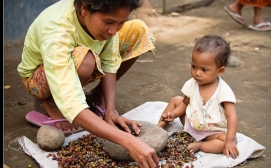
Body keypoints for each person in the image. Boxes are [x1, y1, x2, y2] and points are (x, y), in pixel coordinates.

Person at [17, 0, 159, 167]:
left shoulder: (108, 28)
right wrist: (129, 141)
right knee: (85, 60)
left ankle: (99, 96)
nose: (113, 30)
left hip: (81, 60)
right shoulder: (58, 29)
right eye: (108, 22)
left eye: (121, 22)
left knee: (138, 30)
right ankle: (53, 103)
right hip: (38, 80)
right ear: (84, 8)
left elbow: (109, 60)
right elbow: (72, 102)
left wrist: (111, 110)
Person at [156, 35, 239, 159]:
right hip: (191, 123)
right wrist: (172, 115)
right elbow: (184, 104)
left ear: (220, 71)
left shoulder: (224, 91)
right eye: (194, 66)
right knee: (175, 100)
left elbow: (232, 116)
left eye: (204, 70)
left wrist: (230, 140)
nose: (197, 73)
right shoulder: (192, 84)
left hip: (211, 133)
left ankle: (200, 145)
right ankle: (159, 127)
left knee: (227, 142)